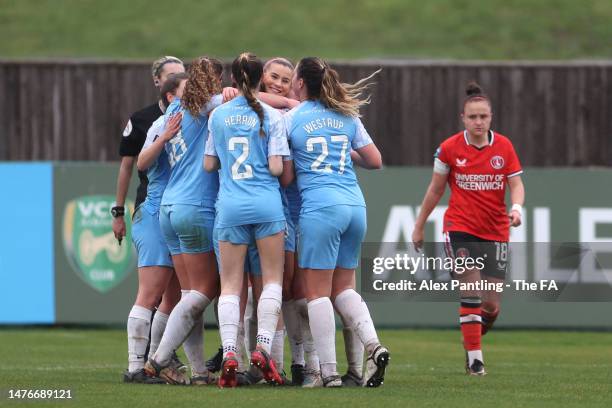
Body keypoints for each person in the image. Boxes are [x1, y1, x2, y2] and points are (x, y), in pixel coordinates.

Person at [285, 56, 389, 388]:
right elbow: (375, 160)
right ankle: (373, 345)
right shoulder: (346, 114)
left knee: (317, 295)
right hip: (354, 206)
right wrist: (342, 153)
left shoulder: (291, 119)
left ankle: (328, 373)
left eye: (293, 78)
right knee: (343, 288)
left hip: (320, 209)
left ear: (300, 83)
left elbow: (286, 176)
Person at [412, 81, 525, 376]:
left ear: (491, 118)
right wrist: (419, 225)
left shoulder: (504, 146)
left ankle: (473, 332)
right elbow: (436, 190)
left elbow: (516, 183)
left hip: (496, 230)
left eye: (483, 117)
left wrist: (516, 208)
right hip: (460, 228)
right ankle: (476, 363)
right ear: (463, 118)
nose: (478, 122)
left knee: (490, 306)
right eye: (472, 117)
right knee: (471, 292)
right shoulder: (449, 148)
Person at [205, 52, 291, 388]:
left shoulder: (219, 115)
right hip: (267, 205)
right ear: (260, 79)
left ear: (232, 80)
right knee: (271, 280)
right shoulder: (271, 115)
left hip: (231, 205)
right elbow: (276, 169)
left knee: (230, 285)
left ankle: (230, 352)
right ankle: (263, 349)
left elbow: (209, 165)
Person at [143, 57, 228, 385]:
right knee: (208, 289)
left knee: (191, 294)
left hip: (169, 207)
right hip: (196, 206)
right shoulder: (204, 106)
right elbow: (253, 100)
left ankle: (198, 371)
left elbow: (144, 159)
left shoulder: (171, 112)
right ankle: (160, 357)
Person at [124, 73, 187, 384]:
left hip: (176, 216)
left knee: (174, 298)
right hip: (154, 214)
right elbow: (141, 163)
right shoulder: (161, 124)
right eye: (187, 91)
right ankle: (135, 368)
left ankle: (156, 362)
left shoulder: (197, 125)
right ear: (172, 97)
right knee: (149, 294)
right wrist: (164, 137)